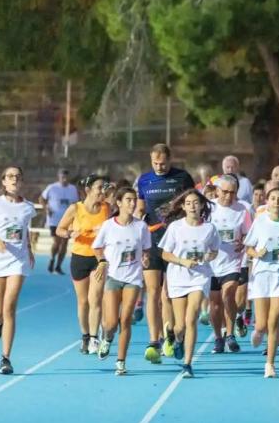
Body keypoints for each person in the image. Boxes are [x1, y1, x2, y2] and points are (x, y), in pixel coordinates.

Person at [136, 143, 195, 363]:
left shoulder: (182, 178)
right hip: (152, 240)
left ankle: (170, 334)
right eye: (155, 163)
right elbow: (140, 209)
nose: (159, 167)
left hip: (176, 242)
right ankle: (154, 340)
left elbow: (192, 204)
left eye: (163, 163)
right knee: (152, 291)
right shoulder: (144, 180)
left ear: (170, 160)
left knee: (167, 293)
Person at [0, 166, 36, 375]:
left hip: (17, 262)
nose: (14, 180)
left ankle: (5, 358)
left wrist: (29, 249)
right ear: (3, 181)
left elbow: (25, 231)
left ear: (21, 182)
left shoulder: (28, 208)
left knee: (10, 307)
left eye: (18, 177)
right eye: (10, 176)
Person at [159, 189, 220, 378]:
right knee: (180, 327)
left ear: (202, 205)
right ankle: (174, 336)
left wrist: (210, 255)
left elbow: (214, 251)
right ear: (183, 207)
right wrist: (183, 261)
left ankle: (187, 363)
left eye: (196, 202)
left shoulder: (210, 228)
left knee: (191, 318)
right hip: (178, 277)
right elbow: (165, 254)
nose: (192, 206)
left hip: (199, 277)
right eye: (188, 203)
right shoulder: (176, 227)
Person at [92, 187, 152, 375]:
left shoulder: (141, 227)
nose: (132, 203)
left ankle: (120, 362)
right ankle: (107, 338)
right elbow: (97, 247)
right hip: (113, 277)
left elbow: (146, 249)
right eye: (128, 200)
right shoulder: (108, 226)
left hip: (133, 278)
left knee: (125, 319)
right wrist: (102, 261)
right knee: (111, 323)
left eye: (134, 200)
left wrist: (146, 258)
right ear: (118, 203)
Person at [244, 187, 279, 377]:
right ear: (267, 202)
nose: (276, 202)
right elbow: (248, 248)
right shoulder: (260, 222)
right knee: (261, 325)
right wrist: (257, 253)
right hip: (262, 275)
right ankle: (258, 331)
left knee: (274, 322)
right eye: (273, 199)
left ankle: (270, 364)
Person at [55, 174, 111, 355]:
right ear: (88, 190)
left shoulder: (106, 208)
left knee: (96, 298)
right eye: (99, 187)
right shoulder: (75, 209)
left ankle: (94, 338)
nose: (103, 191)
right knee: (83, 301)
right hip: (79, 257)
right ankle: (85, 336)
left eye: (104, 187)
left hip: (99, 258)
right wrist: (70, 233)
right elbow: (59, 229)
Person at [208, 175, 253, 354]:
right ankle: (218, 337)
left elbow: (250, 234)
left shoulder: (243, 210)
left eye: (232, 192)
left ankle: (230, 333)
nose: (228, 196)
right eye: (224, 192)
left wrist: (245, 242)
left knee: (228, 295)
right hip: (211, 264)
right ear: (217, 191)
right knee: (215, 303)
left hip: (233, 262)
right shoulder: (209, 208)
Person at [41, 168, 80, 274]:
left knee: (64, 243)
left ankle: (58, 266)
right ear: (59, 177)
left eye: (66, 177)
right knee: (57, 242)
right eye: (62, 177)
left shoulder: (73, 189)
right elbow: (42, 198)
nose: (64, 179)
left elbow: (77, 203)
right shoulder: (52, 187)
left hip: (68, 220)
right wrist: (46, 208)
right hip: (55, 220)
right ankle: (52, 259)